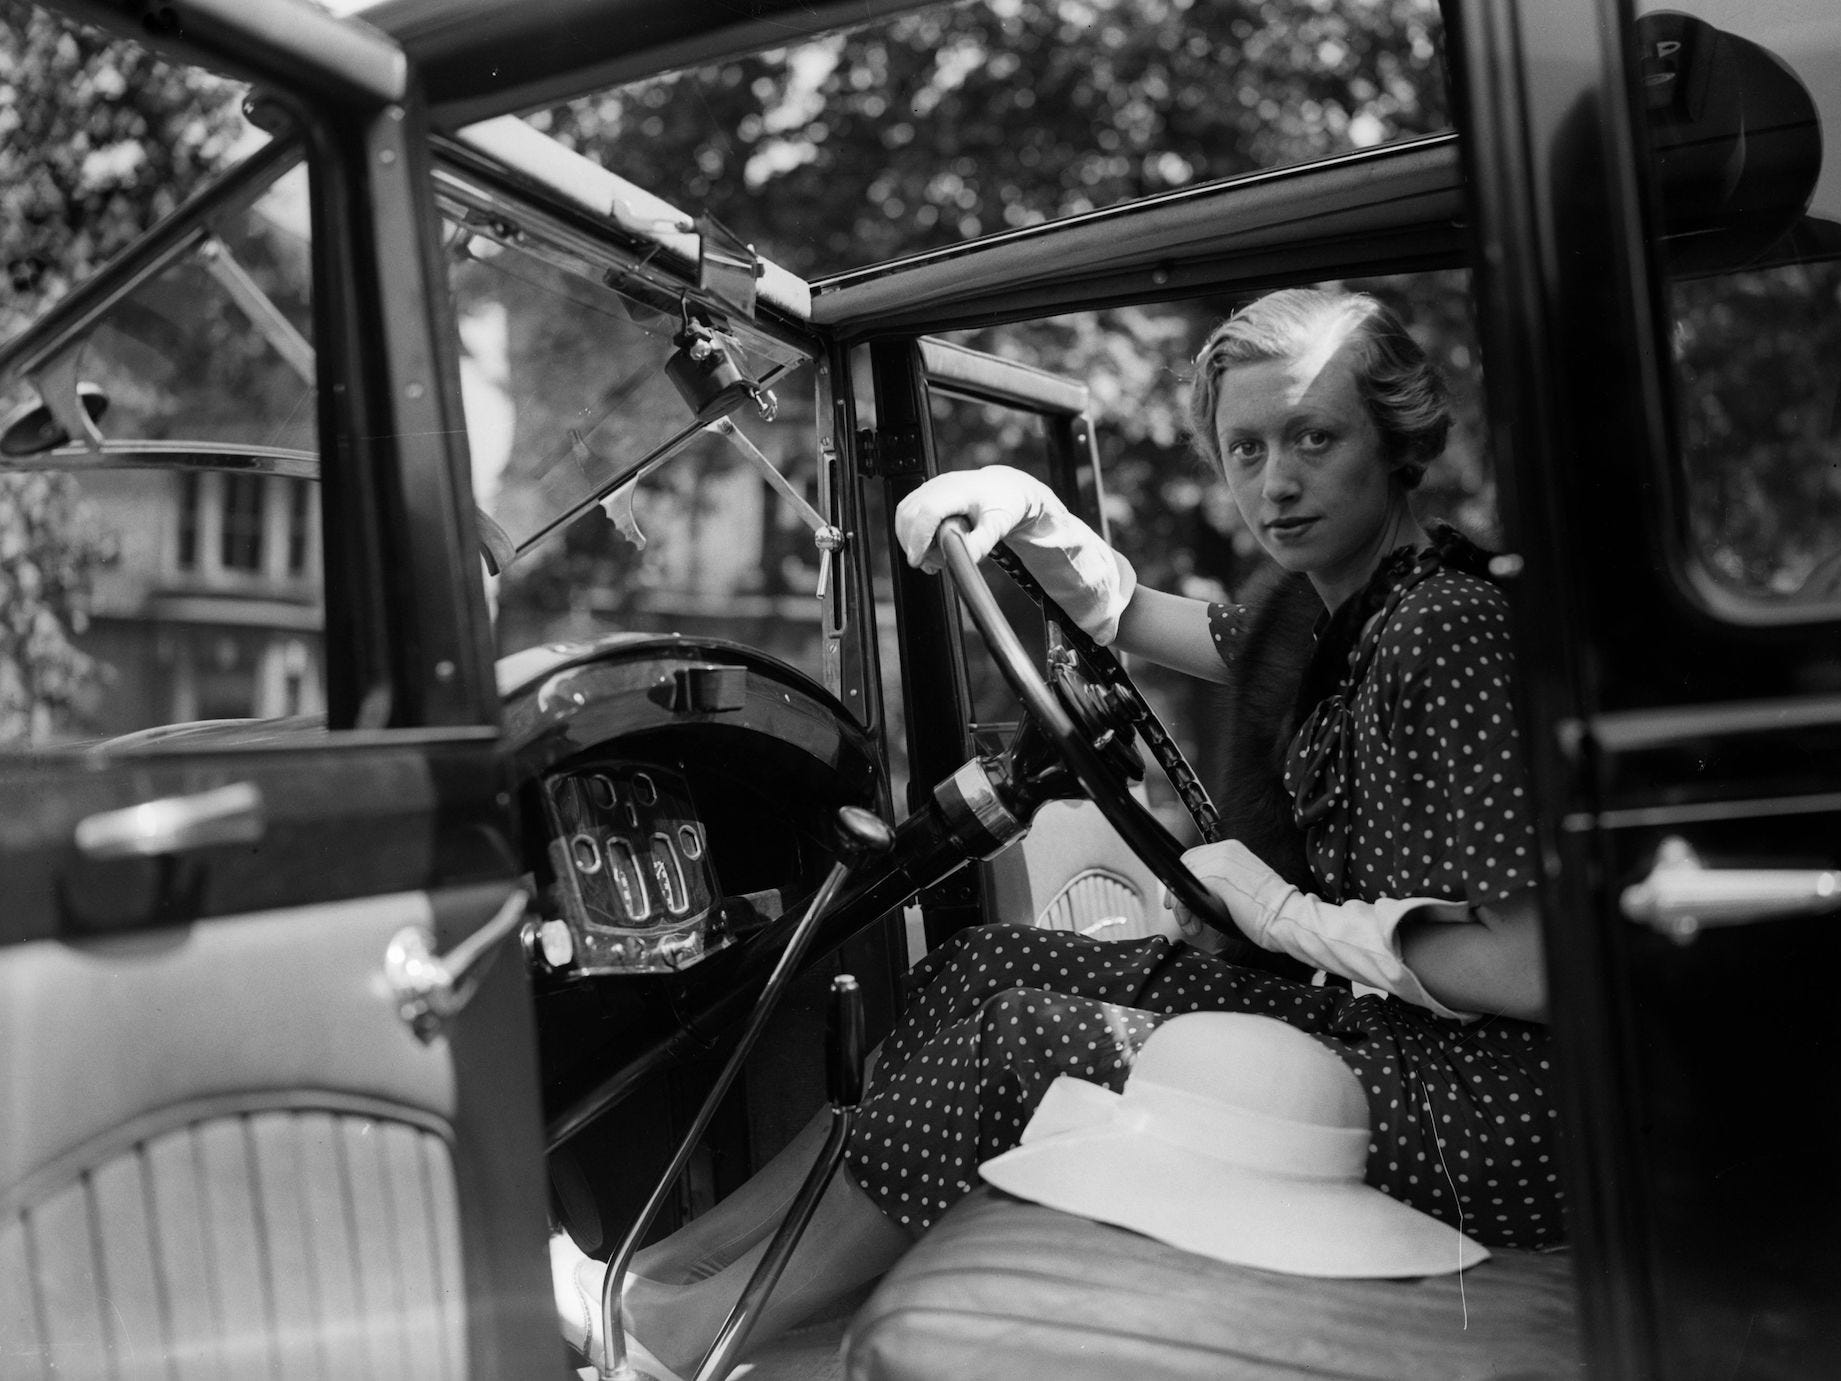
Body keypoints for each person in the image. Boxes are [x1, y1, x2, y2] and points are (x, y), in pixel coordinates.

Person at [555, 286, 1557, 1379]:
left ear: (1394, 439)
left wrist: (1286, 918)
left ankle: (677, 1334)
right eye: (1245, 446)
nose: (1274, 481)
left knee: (1023, 1040)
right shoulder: (1329, 612)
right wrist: (1032, 514)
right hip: (1379, 1032)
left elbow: (1528, 968)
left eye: (1315, 438)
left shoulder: (1441, 630)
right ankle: (676, 1274)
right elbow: (1131, 614)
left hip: (1491, 1108)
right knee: (979, 964)